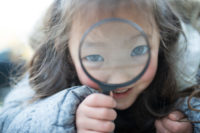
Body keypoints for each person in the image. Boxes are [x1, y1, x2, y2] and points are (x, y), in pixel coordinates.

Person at [0, 0, 199, 133]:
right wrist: (66, 118)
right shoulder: (45, 75)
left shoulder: (182, 72)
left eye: (137, 50)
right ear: (67, 52)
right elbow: (7, 122)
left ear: (162, 40)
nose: (118, 77)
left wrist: (190, 121)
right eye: (95, 56)